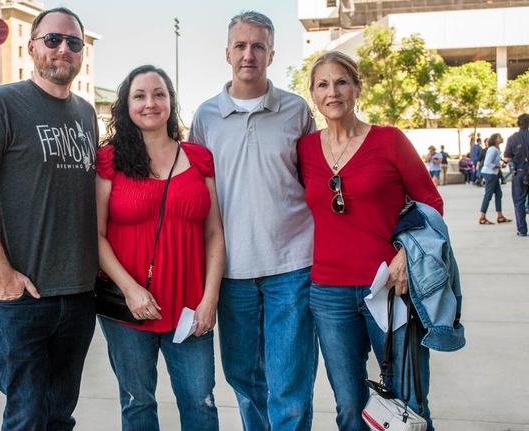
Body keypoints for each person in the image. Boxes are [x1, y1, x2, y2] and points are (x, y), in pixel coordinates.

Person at [0, 7, 99, 431]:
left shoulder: (86, 113)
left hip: (78, 293)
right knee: (25, 415)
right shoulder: (2, 103)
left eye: (73, 42)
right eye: (52, 39)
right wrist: (2, 274)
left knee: (59, 415)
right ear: (31, 46)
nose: (63, 49)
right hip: (23, 296)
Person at [297, 51, 444, 430]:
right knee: (349, 406)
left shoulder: (389, 140)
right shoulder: (305, 150)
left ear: (357, 88)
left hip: (390, 288)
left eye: (342, 82)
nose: (333, 92)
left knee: (408, 402)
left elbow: (431, 201)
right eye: (323, 84)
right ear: (313, 94)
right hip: (328, 293)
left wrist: (405, 254)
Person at [190, 11, 318, 431]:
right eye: (241, 46)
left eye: (258, 46)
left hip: (291, 266)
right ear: (227, 53)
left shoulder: (297, 111)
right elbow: (195, 196)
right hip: (231, 271)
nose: (249, 54)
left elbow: (315, 180)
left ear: (271, 53)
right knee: (244, 378)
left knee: (290, 385)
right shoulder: (206, 117)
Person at [96, 65, 225, 431]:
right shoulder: (109, 160)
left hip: (190, 308)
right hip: (129, 309)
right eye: (140, 95)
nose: (150, 103)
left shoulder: (199, 159)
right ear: (126, 105)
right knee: (138, 404)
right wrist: (130, 289)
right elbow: (96, 235)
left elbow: (214, 232)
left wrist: (210, 298)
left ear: (171, 101)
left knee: (200, 402)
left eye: (159, 94)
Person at [505, 113, 529, 237]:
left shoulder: (512, 138)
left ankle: (522, 230)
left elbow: (508, 157)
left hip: (519, 173)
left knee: (519, 202)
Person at [479, 134, 511, 225]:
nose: (502, 138)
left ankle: (500, 216)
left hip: (493, 174)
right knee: (488, 195)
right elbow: (487, 163)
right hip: (490, 174)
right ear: (495, 140)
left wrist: (501, 164)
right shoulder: (492, 149)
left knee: (499, 194)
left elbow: (494, 162)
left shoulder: (496, 149)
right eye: (499, 137)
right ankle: (482, 217)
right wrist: (498, 165)